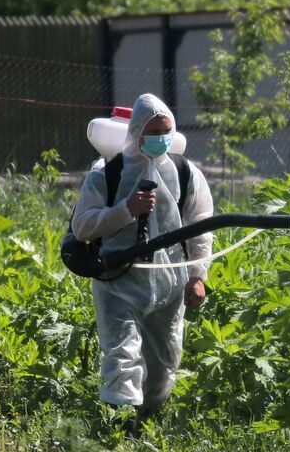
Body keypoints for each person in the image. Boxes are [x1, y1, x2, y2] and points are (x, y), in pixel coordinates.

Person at [70, 93, 213, 432]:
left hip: (169, 283)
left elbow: (201, 225)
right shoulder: (108, 173)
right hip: (119, 282)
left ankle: (147, 420)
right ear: (136, 132)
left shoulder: (185, 172)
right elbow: (83, 225)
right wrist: (125, 211)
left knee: (164, 362)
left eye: (166, 130)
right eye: (153, 131)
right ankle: (121, 427)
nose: (161, 138)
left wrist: (197, 275)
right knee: (122, 355)